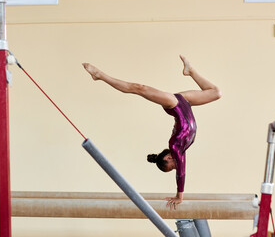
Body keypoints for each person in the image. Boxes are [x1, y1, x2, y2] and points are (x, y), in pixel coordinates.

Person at [82, 55, 221, 210]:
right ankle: (190, 71)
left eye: (171, 166)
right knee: (216, 93)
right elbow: (181, 169)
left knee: (139, 88)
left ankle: (100, 75)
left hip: (174, 105)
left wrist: (179, 195)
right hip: (185, 103)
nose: (176, 167)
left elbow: (181, 173)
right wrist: (179, 194)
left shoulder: (175, 148)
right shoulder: (182, 150)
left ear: (168, 158)